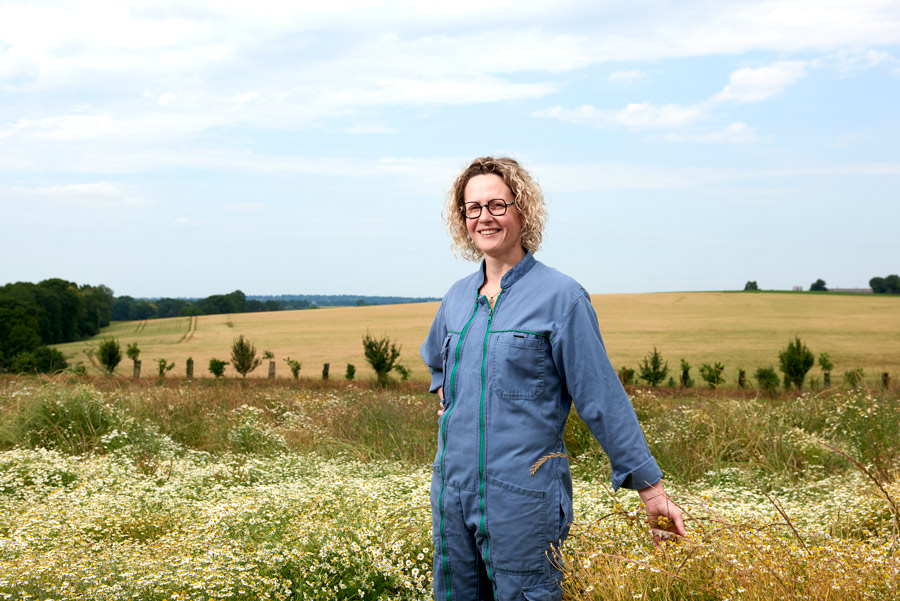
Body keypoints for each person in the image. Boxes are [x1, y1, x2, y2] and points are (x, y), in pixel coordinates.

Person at [420, 156, 685, 601]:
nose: (484, 217)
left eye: (497, 205)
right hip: (452, 497)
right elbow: (436, 360)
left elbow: (600, 397)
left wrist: (650, 488)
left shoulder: (561, 298)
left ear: (522, 210)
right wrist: (445, 389)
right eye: (473, 208)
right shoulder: (456, 298)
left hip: (523, 502)